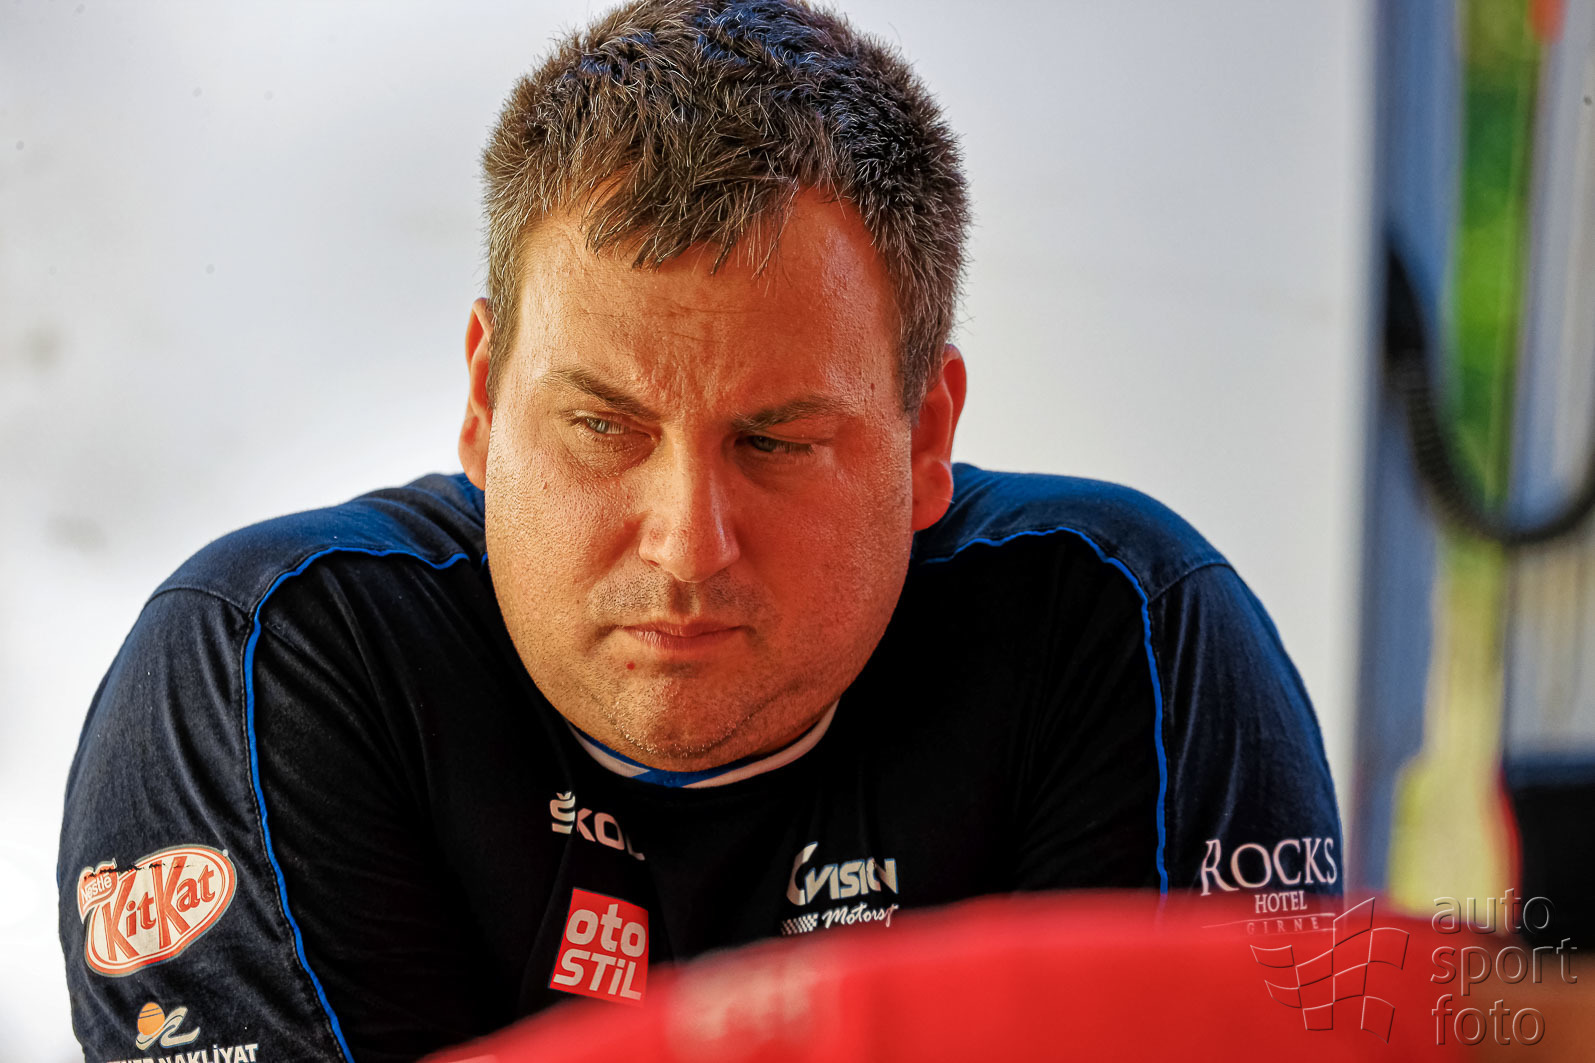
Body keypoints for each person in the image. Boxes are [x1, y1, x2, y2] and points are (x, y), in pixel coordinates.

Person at [57, 1, 1341, 1059]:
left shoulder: (1118, 627)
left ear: (924, 438)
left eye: (775, 442)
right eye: (601, 427)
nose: (684, 543)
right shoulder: (270, 655)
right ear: (483, 401)